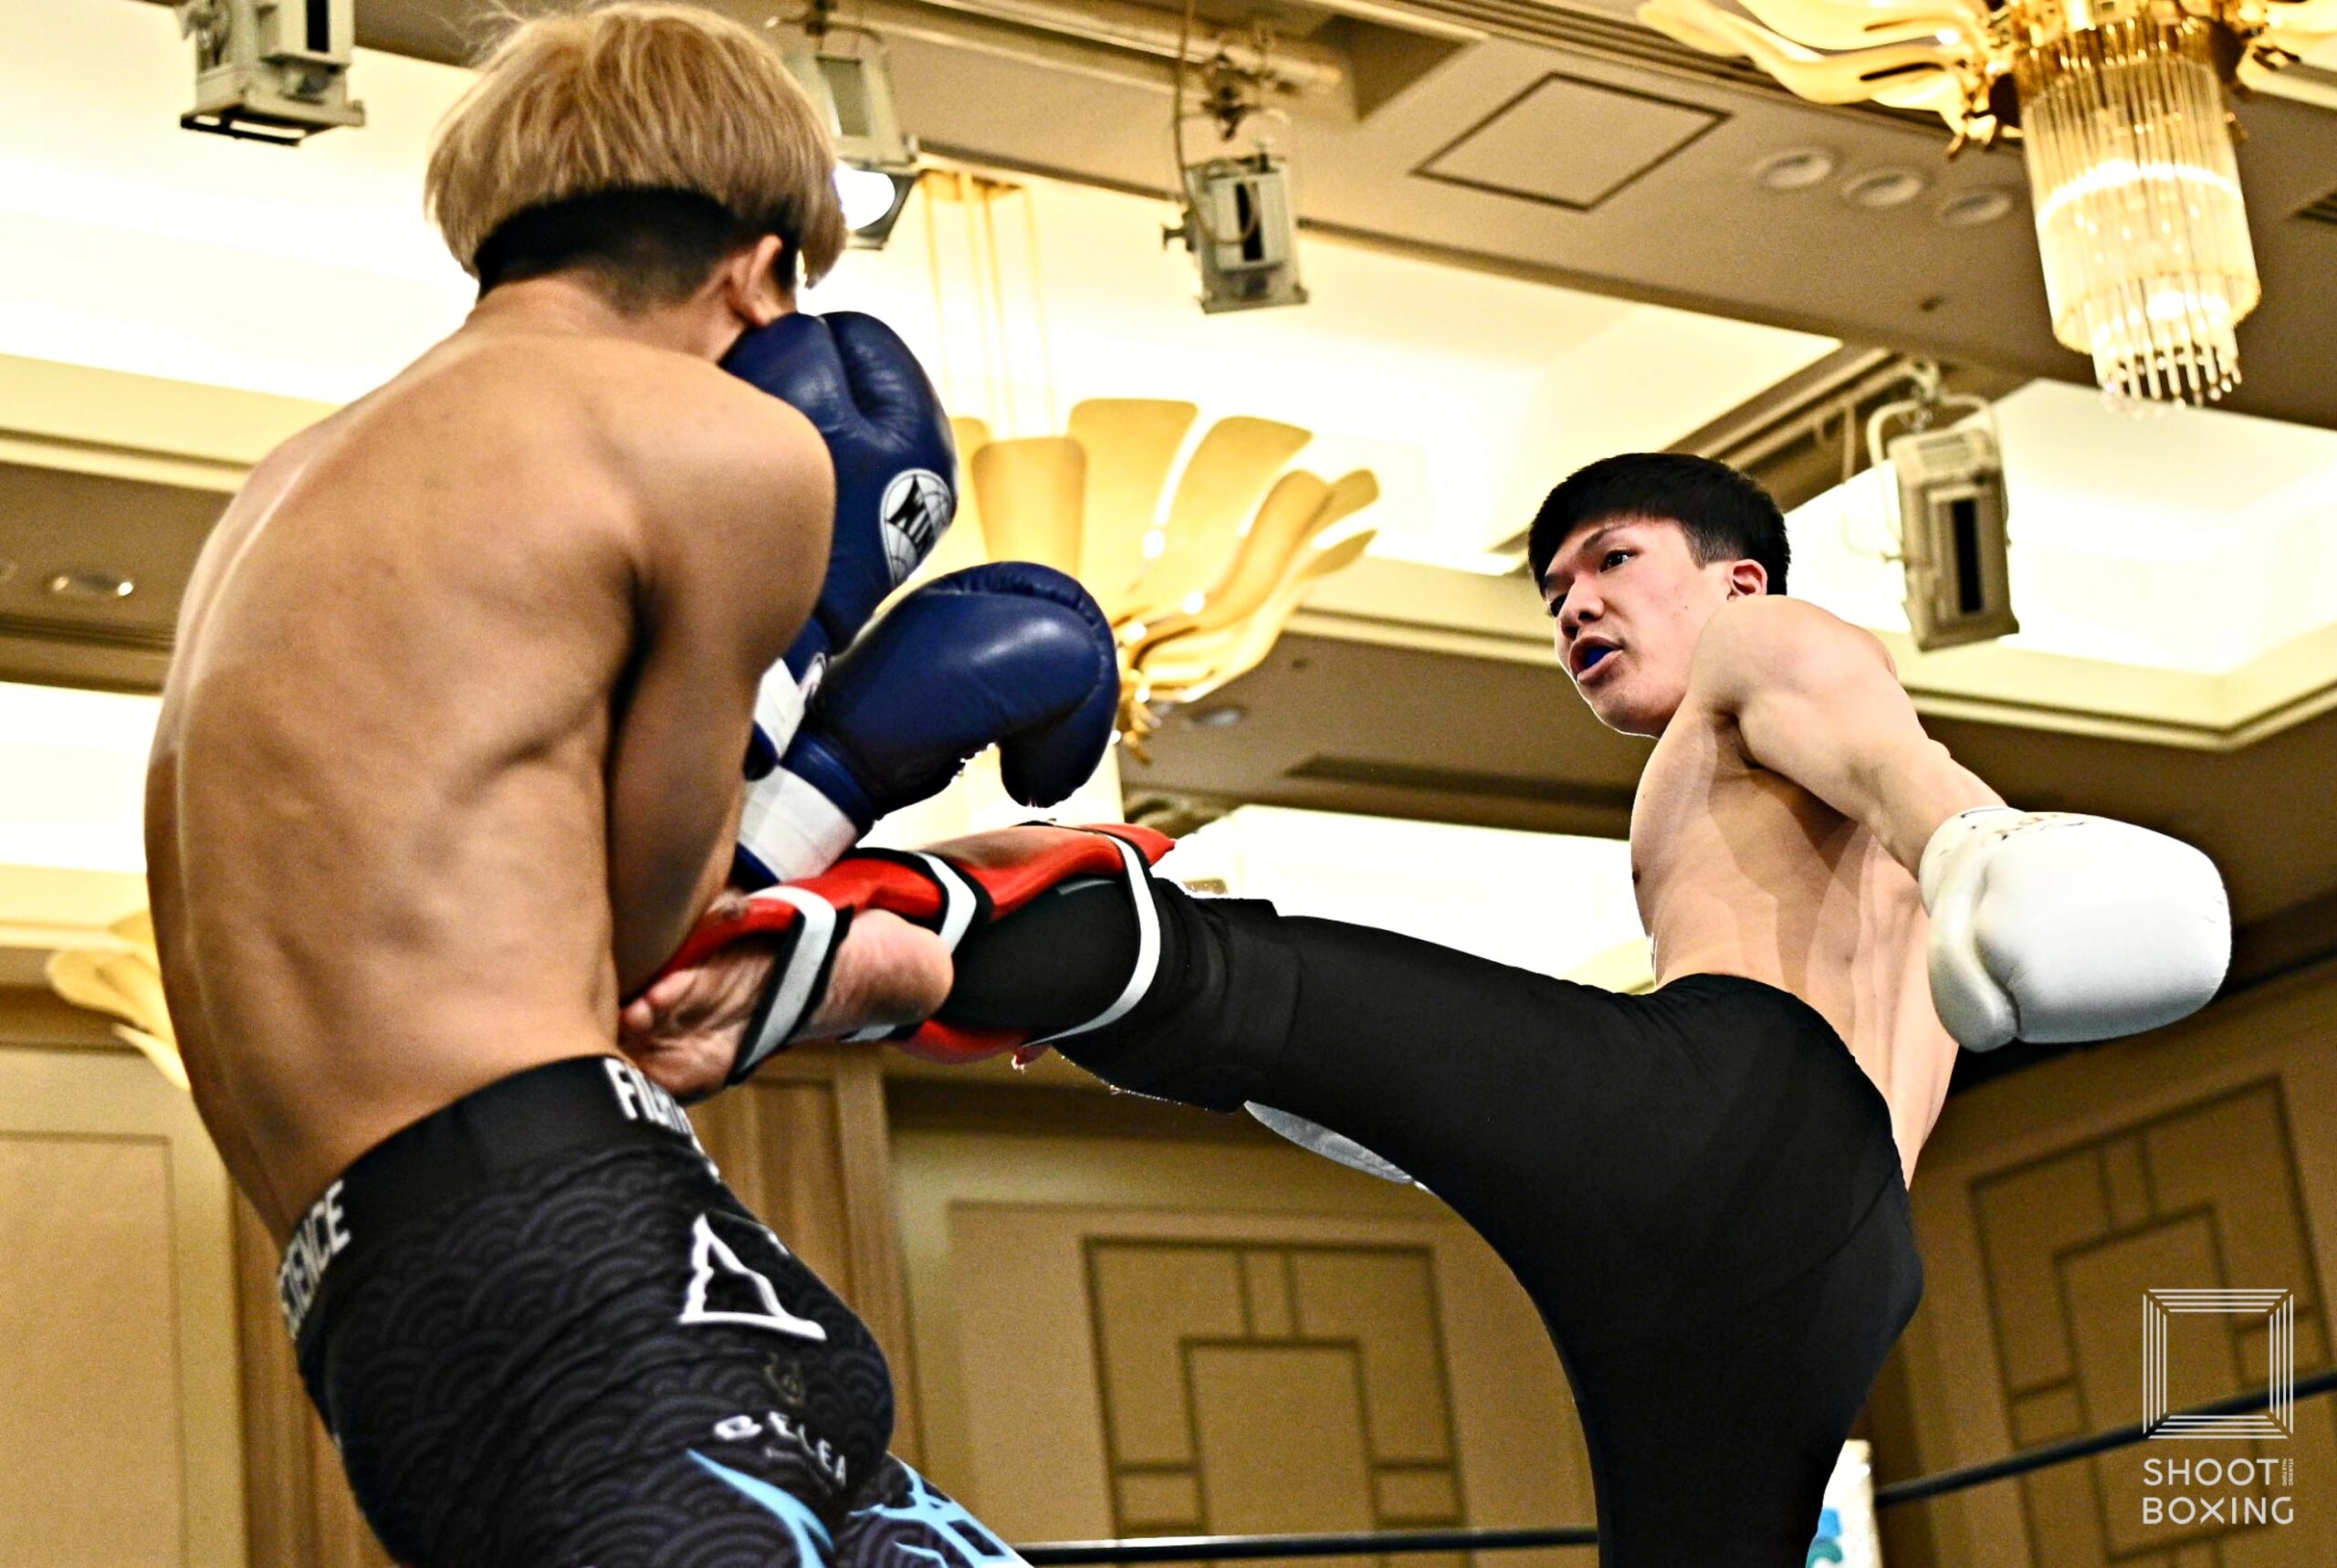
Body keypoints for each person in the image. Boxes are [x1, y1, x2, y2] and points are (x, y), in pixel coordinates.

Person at [626, 453, 2231, 1567]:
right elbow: (1561, 1103)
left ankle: (798, 936)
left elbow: (1879, 743)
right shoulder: (1780, 835)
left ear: (1733, 576)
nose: (1574, 606)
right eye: (1552, 588)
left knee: (1197, 959)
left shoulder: (1773, 643)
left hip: (1737, 1123)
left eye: (1613, 561)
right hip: (1831, 1271)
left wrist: (1983, 841)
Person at [143, 6, 1116, 1566]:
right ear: (761, 272)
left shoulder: (284, 486)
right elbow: (657, 925)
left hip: (381, 1303)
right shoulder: (724, 443)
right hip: (578, 1234)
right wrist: (852, 852)